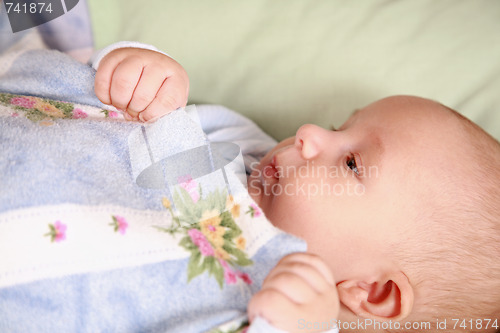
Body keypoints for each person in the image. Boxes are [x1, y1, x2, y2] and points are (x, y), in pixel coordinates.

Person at [93, 45, 500, 332]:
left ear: (372, 292)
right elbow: (136, 111)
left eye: (351, 162)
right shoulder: (247, 150)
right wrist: (146, 73)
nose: (309, 132)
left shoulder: (294, 323)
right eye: (340, 127)